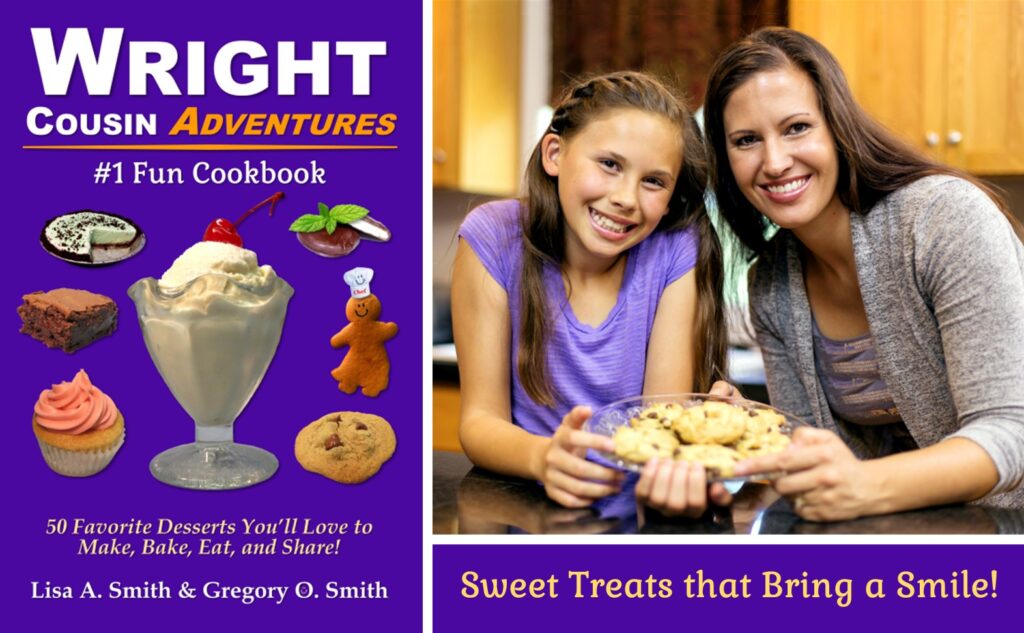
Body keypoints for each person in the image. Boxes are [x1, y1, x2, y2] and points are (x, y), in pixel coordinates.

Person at [702, 27, 1024, 521]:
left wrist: (864, 484)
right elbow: (821, 460)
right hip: (904, 543)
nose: (774, 161)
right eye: (746, 140)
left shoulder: (941, 219)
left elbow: (1010, 430)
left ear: (837, 126)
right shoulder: (770, 283)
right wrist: (755, 429)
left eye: (796, 128)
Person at [451, 71, 730, 516]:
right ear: (555, 153)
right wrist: (544, 458)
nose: (626, 198)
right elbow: (479, 423)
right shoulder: (494, 237)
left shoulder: (674, 250)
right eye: (610, 165)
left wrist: (704, 433)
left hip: (638, 519)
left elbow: (661, 419)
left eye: (654, 181)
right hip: (528, 509)